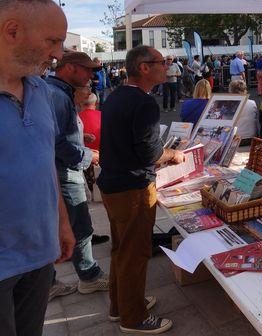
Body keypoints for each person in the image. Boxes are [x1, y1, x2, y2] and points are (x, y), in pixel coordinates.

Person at [97, 45, 184, 334]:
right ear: (143, 67)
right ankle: (132, 318)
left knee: (122, 249)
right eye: (161, 62)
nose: (166, 66)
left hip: (113, 185)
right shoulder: (143, 103)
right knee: (135, 253)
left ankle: (120, 305)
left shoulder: (114, 96)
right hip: (132, 189)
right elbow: (150, 153)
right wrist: (173, 155)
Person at [0, 2, 75, 336]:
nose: (58, 54)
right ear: (12, 31)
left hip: (39, 256)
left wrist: (61, 222)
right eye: (52, 41)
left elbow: (45, 162)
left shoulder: (41, 90)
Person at [46, 51, 109, 299]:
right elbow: (56, 142)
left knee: (63, 225)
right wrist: (87, 155)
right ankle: (89, 276)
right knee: (80, 226)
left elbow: (58, 135)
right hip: (64, 172)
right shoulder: (58, 95)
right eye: (88, 70)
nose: (93, 76)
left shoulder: (56, 91)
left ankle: (49, 282)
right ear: (71, 68)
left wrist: (81, 141)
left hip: (61, 169)